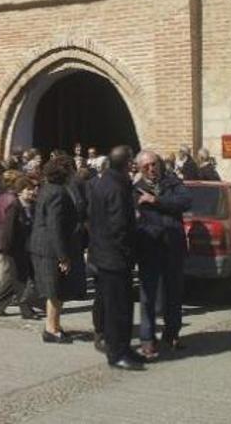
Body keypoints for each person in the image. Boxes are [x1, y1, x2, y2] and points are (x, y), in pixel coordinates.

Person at [88, 147, 143, 370]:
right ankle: (116, 352)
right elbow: (118, 225)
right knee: (117, 308)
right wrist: (128, 250)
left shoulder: (104, 181)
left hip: (104, 253)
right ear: (126, 162)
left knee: (120, 305)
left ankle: (124, 346)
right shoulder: (116, 186)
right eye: (132, 160)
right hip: (114, 257)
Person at [134, 151, 192, 359]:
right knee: (148, 296)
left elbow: (185, 201)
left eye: (154, 164)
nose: (151, 168)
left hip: (173, 245)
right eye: (146, 166)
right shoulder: (136, 188)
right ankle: (148, 339)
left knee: (174, 293)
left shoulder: (172, 183)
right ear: (140, 168)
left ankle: (172, 334)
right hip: (149, 248)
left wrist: (156, 201)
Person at [29, 157, 84, 343]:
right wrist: (63, 256)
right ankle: (51, 329)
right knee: (54, 289)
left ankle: (55, 325)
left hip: (45, 245)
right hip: (49, 248)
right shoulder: (58, 193)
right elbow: (55, 226)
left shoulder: (49, 188)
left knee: (56, 289)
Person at [0, 175, 37, 319]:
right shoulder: (14, 207)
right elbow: (7, 230)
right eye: (28, 189)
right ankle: (26, 310)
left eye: (32, 189)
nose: (32, 192)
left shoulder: (31, 206)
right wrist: (4, 248)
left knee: (14, 280)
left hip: (26, 248)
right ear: (20, 191)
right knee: (21, 280)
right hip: (13, 249)